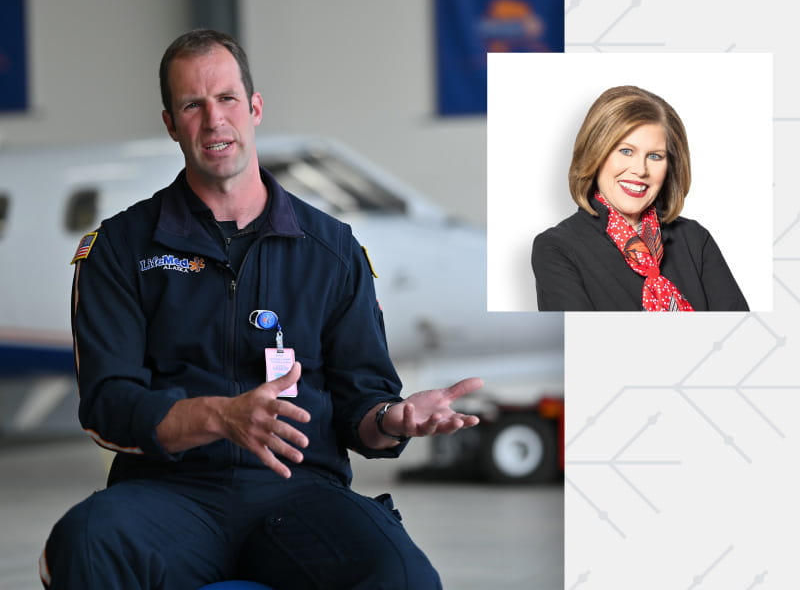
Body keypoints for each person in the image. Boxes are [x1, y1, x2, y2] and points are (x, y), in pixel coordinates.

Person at [40, 29, 482, 590]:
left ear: (254, 108)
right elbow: (107, 406)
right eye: (192, 105)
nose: (214, 120)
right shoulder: (121, 247)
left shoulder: (331, 249)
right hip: (167, 493)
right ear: (171, 124)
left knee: (403, 576)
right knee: (84, 542)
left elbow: (362, 402)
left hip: (300, 494)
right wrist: (218, 417)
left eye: (226, 98)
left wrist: (392, 420)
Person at [531, 85, 749, 312]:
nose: (640, 170)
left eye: (655, 156)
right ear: (595, 153)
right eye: (626, 151)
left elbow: (740, 330)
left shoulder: (695, 239)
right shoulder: (557, 248)